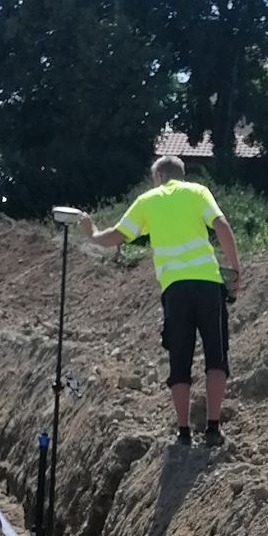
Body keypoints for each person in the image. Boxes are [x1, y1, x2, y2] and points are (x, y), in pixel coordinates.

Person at [80, 157, 241, 450]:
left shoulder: (147, 201)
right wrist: (235, 268)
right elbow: (221, 225)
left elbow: (116, 236)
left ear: (159, 175)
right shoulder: (198, 192)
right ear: (181, 175)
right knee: (216, 356)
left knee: (179, 359)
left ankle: (183, 432)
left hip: (175, 291)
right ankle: (213, 429)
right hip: (208, 284)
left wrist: (91, 233)